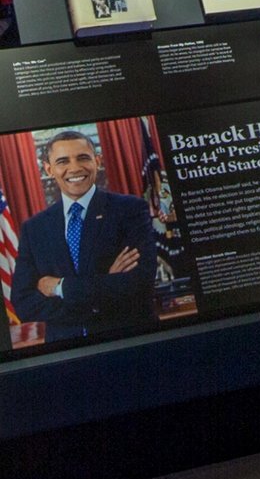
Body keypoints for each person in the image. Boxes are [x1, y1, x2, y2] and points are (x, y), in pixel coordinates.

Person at [10, 129, 157, 340]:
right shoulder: (34, 228)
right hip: (66, 350)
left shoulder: (130, 210)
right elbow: (24, 303)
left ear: (97, 161)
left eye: (83, 158)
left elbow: (139, 284)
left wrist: (59, 287)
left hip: (128, 340)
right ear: (49, 169)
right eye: (63, 161)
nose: (75, 168)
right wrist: (103, 288)